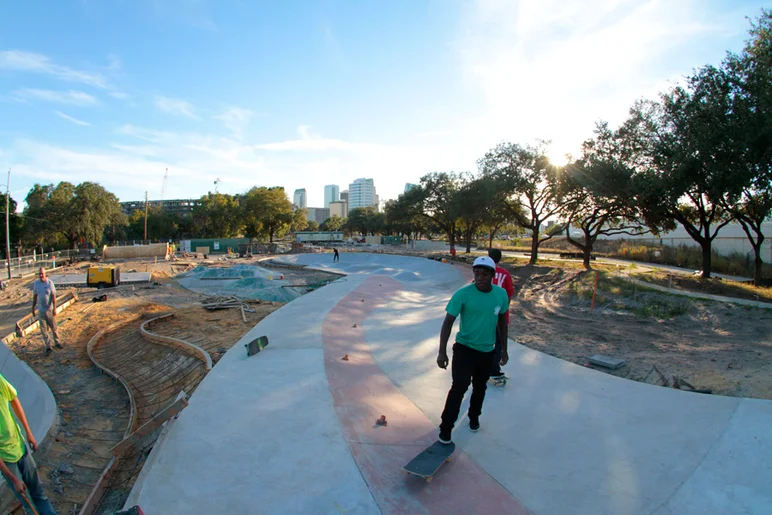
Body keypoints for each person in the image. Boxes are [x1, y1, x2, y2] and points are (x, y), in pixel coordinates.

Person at [437, 256, 509, 443]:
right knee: (459, 387)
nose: (480, 277)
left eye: (484, 274)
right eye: (476, 273)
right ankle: (446, 427)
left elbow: (502, 321)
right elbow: (447, 323)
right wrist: (442, 351)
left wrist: (504, 349)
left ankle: (474, 416)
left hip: (486, 351)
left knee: (480, 387)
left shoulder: (500, 295)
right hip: (464, 349)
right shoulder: (463, 294)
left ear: (492, 274)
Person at [0, 373, 58, 515]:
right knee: (26, 502)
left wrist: (28, 432)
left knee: (38, 492)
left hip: (19, 445)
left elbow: (13, 399)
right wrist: (14, 480)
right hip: (6, 459)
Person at [488, 249, 514, 382]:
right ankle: (493, 370)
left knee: (484, 341)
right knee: (498, 343)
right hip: (499, 315)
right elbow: (509, 294)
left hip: (484, 315)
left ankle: (482, 367)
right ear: (500, 259)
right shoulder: (505, 274)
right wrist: (503, 311)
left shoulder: (483, 272)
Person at [31, 268, 62, 356]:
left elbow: (53, 296)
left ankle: (57, 342)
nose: (41, 275)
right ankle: (48, 346)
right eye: (39, 274)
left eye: (42, 274)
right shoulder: (36, 284)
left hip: (49, 310)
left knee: (54, 328)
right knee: (44, 330)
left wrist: (55, 308)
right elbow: (35, 296)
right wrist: (33, 308)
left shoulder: (49, 283)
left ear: (45, 274)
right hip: (41, 311)